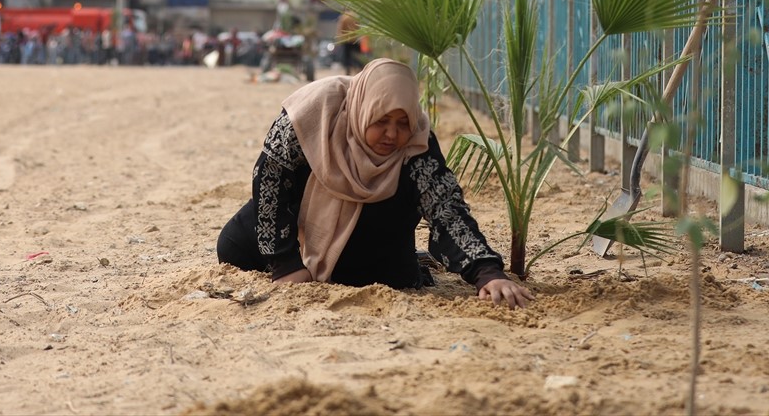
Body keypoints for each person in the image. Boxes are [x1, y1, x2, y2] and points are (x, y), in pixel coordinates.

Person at [217, 58, 534, 309]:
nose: (393, 135)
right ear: (362, 110)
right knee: (233, 249)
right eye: (381, 121)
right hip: (291, 230)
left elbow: (446, 208)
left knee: (397, 278)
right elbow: (270, 183)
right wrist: (285, 265)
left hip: (375, 250)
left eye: (401, 123)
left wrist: (487, 273)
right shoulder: (311, 112)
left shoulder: (417, 143)